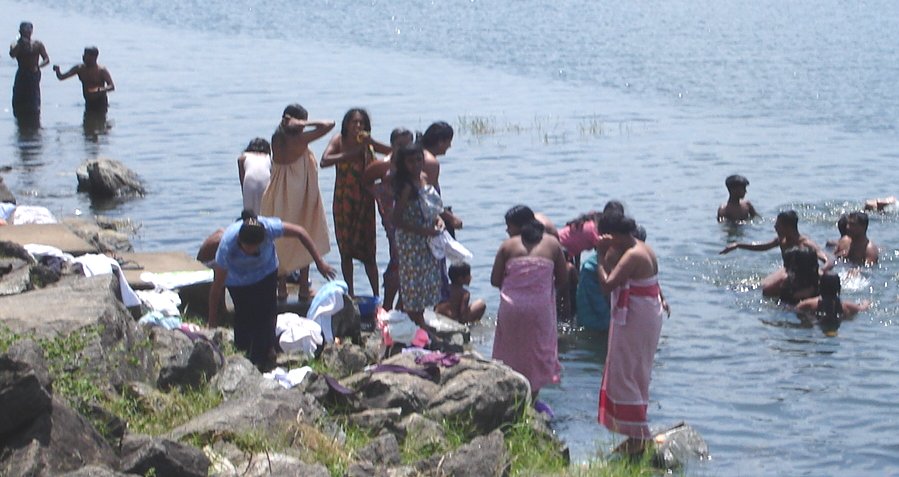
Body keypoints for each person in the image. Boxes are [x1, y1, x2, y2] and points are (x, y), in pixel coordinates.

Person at [207, 210, 336, 369]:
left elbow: (301, 232)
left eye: (256, 247)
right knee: (244, 318)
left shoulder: (269, 228)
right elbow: (216, 288)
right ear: (240, 242)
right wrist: (212, 323)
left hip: (266, 272)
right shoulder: (227, 246)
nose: (253, 252)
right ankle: (244, 355)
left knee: (267, 314)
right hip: (238, 280)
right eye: (249, 249)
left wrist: (319, 262)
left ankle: (269, 350)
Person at [594, 211, 665, 456]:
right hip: (645, 313)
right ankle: (636, 433)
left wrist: (600, 255)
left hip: (636, 318)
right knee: (635, 371)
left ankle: (640, 435)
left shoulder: (633, 255)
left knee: (625, 372)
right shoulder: (642, 247)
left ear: (616, 235)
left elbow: (606, 284)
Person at [491, 205, 567, 405]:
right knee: (536, 354)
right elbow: (563, 279)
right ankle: (531, 403)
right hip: (539, 309)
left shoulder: (507, 246)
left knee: (510, 353)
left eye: (509, 226)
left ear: (519, 226)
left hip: (512, 307)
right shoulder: (552, 244)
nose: (507, 231)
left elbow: (494, 280)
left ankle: (511, 402)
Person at [260, 104, 334, 301]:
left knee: (279, 240)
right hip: (299, 194)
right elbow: (329, 124)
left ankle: (282, 289)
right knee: (305, 234)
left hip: (278, 193)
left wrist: (293, 122)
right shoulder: (298, 139)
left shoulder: (277, 137)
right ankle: (302, 287)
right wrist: (304, 122)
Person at [321, 108, 391, 297]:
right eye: (354, 123)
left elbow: (393, 153)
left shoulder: (367, 143)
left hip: (365, 202)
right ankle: (350, 293)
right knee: (346, 250)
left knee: (369, 251)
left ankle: (376, 295)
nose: (358, 126)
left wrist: (372, 143)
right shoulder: (339, 140)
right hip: (344, 201)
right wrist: (350, 155)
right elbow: (325, 160)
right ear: (347, 124)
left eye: (361, 123)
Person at [720, 210, 832, 297]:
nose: (775, 227)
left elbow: (827, 260)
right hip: (787, 271)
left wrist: (823, 270)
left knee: (764, 288)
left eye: (778, 224)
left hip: (802, 274)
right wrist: (738, 245)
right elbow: (763, 247)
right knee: (756, 287)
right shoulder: (781, 240)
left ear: (788, 227)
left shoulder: (805, 244)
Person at [392, 143, 444, 328]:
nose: (415, 164)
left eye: (418, 160)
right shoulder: (406, 186)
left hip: (427, 240)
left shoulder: (423, 178)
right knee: (412, 283)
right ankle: (416, 322)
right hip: (411, 241)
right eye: (410, 161)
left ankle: (414, 319)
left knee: (426, 282)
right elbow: (396, 220)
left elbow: (429, 206)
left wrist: (438, 219)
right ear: (403, 163)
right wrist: (423, 231)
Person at [362, 127, 414, 310]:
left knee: (408, 261)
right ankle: (387, 306)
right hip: (393, 218)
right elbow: (366, 181)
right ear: (392, 145)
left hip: (412, 218)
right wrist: (380, 194)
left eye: (408, 144)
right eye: (400, 145)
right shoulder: (383, 165)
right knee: (398, 258)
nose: (404, 148)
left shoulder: (412, 164)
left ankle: (401, 306)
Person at [795, 273, 870, 336]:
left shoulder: (809, 304)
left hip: (817, 326)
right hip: (837, 324)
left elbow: (795, 309)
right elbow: (863, 308)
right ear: (839, 288)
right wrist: (867, 302)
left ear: (820, 286)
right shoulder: (846, 306)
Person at [52, 46, 115, 112]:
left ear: (94, 57)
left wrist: (99, 89)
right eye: (84, 54)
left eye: (86, 55)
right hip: (88, 102)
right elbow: (62, 77)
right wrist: (57, 71)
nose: (83, 56)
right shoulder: (80, 68)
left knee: (100, 120)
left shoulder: (101, 71)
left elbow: (111, 86)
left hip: (101, 103)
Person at [9, 21, 49, 118]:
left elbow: (46, 59)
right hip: (22, 73)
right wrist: (20, 43)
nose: (26, 33)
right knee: (19, 96)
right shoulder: (15, 44)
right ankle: (19, 116)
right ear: (20, 31)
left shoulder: (37, 44)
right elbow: (12, 55)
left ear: (32, 31)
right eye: (24, 31)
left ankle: (34, 114)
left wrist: (38, 66)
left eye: (28, 30)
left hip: (34, 73)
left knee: (34, 96)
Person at [237, 138, 271, 215]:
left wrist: (244, 193)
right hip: (266, 179)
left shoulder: (243, 157)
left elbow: (242, 178)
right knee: (266, 211)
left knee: (249, 213)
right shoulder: (269, 158)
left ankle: (250, 224)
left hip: (249, 180)